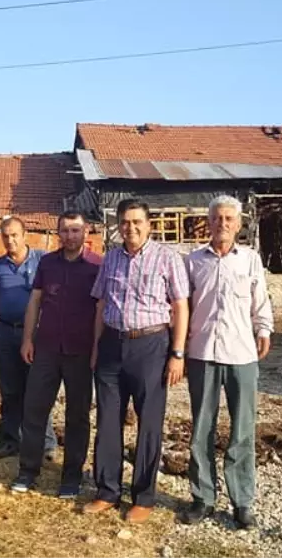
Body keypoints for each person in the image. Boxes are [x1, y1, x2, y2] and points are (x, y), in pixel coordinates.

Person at [83, 198, 190, 524]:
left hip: (151, 346)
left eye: (136, 222)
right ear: (118, 225)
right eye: (125, 222)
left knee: (149, 425)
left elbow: (180, 307)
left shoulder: (167, 258)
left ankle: (143, 497)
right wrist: (96, 347)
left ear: (149, 224)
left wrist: (177, 353)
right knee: (108, 421)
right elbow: (101, 305)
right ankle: (107, 492)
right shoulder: (111, 258)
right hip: (112, 345)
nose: (130, 228)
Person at [178, 195, 274, 531]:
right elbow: (183, 307)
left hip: (241, 355)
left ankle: (242, 501)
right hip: (202, 353)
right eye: (217, 218)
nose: (223, 223)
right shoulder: (193, 262)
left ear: (238, 223)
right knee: (201, 429)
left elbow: (260, 300)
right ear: (208, 221)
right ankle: (202, 497)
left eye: (229, 218)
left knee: (242, 430)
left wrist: (264, 329)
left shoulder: (249, 260)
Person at [9, 211, 103, 498]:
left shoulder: (97, 265)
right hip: (46, 350)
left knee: (77, 417)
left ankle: (71, 478)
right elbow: (35, 302)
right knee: (34, 410)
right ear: (58, 233)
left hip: (80, 353)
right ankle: (27, 471)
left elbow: (101, 310)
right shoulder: (48, 263)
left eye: (76, 230)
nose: (70, 236)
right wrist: (27, 339)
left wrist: (97, 349)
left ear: (86, 232)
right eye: (65, 231)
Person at [0, 216, 57, 459]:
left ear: (25, 236)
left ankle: (46, 443)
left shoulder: (43, 260)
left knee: (38, 388)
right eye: (5, 236)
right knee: (10, 389)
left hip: (37, 334)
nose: (10, 240)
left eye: (14, 235)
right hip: (6, 333)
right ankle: (11, 439)